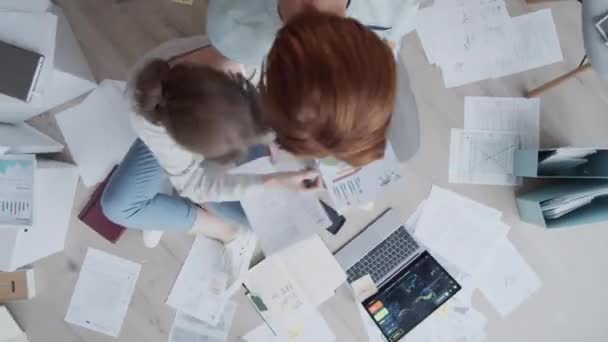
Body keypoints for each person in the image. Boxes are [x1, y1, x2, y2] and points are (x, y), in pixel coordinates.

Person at [100, 35, 318, 264]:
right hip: (173, 130)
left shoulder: (248, 56)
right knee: (119, 207)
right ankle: (223, 229)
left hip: (206, 111)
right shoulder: (149, 117)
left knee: (265, 218)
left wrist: (280, 134)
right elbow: (194, 185)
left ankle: (178, 193)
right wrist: (270, 181)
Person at [206, 0, 422, 166]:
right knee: (407, 147)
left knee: (406, 145)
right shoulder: (231, 31)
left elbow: (393, 38)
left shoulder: (230, 31)